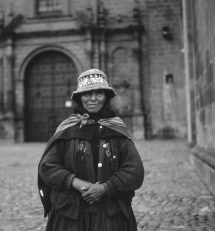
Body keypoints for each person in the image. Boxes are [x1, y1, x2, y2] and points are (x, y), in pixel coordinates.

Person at [38, 69, 144, 231]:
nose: (93, 99)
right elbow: (47, 167)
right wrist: (75, 182)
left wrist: (105, 188)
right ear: (80, 98)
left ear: (106, 97)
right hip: (70, 216)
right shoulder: (67, 129)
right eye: (87, 94)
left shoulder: (116, 130)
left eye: (99, 93)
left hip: (110, 217)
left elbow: (135, 171)